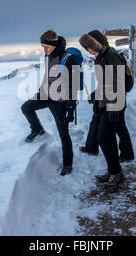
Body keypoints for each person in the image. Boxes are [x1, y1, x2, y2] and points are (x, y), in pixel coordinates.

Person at [21, 30, 79, 176]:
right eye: (42, 46)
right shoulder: (48, 56)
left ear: (54, 44)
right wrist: (40, 92)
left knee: (63, 132)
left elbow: (74, 84)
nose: (44, 49)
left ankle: (68, 164)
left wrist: (71, 106)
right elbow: (47, 77)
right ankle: (37, 129)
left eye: (46, 46)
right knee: (26, 108)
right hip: (46, 95)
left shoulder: (69, 59)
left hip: (60, 101)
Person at [78, 32, 128, 192]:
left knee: (103, 138)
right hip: (106, 103)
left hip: (114, 104)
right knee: (108, 139)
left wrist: (114, 106)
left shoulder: (112, 57)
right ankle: (114, 172)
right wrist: (95, 94)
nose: (89, 51)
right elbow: (105, 83)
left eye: (90, 47)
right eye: (86, 49)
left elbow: (117, 84)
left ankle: (116, 173)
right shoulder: (101, 57)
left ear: (98, 44)